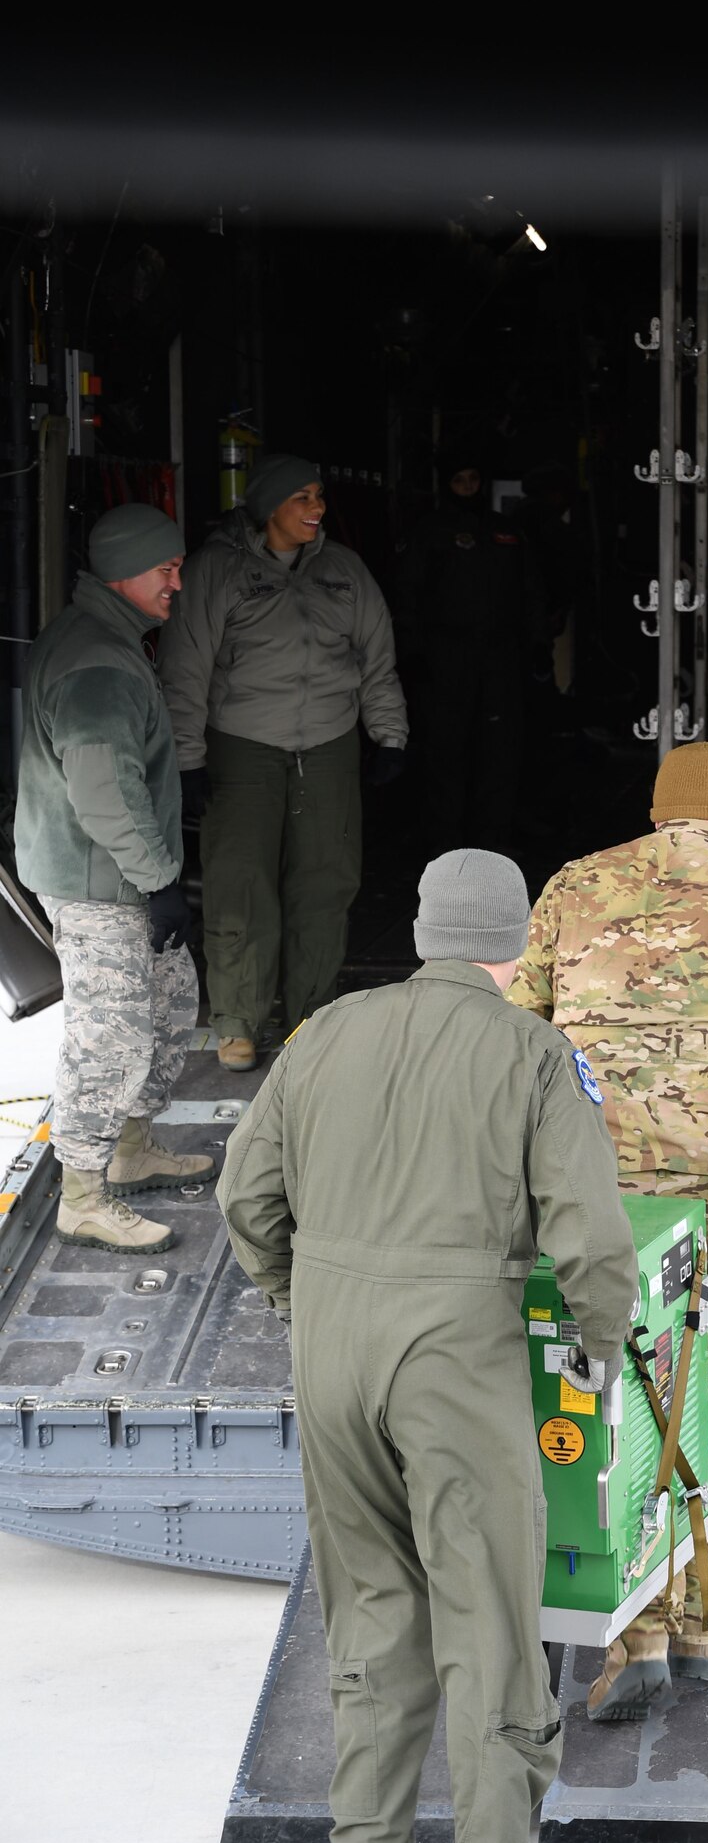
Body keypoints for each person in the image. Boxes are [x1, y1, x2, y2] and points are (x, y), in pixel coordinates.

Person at [218, 849, 637, 1843]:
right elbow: (591, 1236)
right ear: (519, 941)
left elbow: (244, 1197)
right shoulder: (535, 1052)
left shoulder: (325, 1032)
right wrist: (598, 1349)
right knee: (489, 1623)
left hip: (333, 1346)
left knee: (366, 1612)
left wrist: (304, 1300)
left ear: (419, 933)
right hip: (456, 1354)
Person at [510, 740, 708, 1719]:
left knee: (613, 1391)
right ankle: (704, 1618)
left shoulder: (574, 884)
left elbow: (516, 1030)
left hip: (589, 1196)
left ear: (657, 813)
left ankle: (634, 1620)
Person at [158, 454, 408, 1075]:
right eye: (301, 497)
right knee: (240, 881)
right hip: (242, 745)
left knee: (326, 880)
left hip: (327, 745)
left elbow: (377, 658)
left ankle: (310, 1016)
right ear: (269, 506)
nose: (316, 507)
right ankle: (238, 1020)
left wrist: (390, 735)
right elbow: (186, 670)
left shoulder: (345, 571)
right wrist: (187, 759)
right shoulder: (218, 570)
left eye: (318, 495)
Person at [14, 503, 215, 1254]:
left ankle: (131, 1151)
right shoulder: (95, 661)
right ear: (126, 572)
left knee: (169, 1007)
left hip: (122, 875)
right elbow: (103, 786)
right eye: (166, 569)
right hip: (104, 885)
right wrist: (160, 879)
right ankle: (84, 1197)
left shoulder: (111, 639)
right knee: (108, 1038)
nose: (178, 581)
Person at [394, 446, 543, 855]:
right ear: (447, 485)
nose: (467, 488)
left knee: (500, 753)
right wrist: (413, 655)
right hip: (446, 660)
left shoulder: (507, 533)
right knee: (446, 752)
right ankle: (444, 844)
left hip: (500, 660)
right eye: (459, 481)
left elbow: (530, 593)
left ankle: (493, 842)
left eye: (473, 480)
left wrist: (537, 647)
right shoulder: (430, 532)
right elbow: (408, 595)